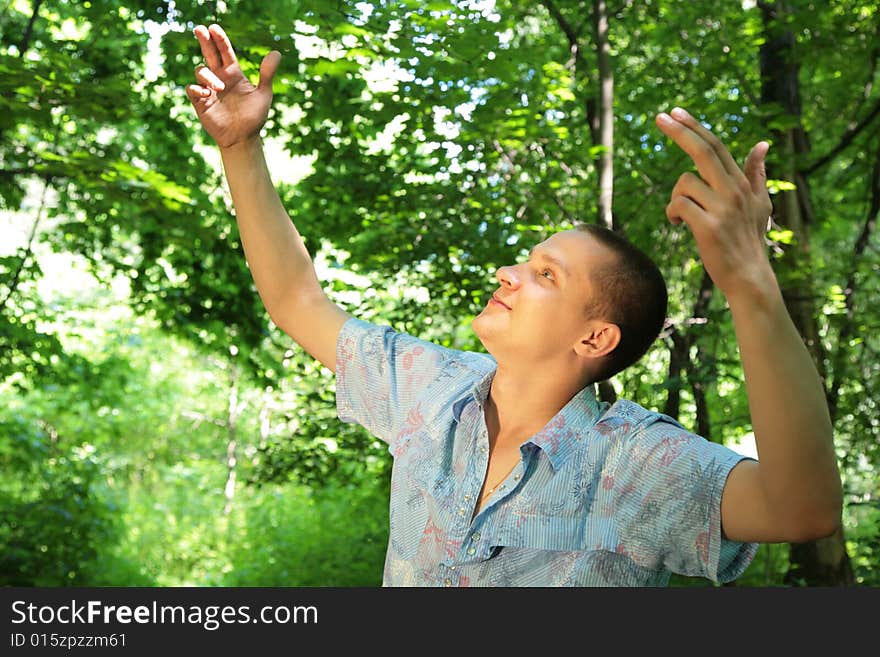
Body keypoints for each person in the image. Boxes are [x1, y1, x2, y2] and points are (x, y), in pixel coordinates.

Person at [186, 24, 842, 586]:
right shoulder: (429, 390)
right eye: (524, 262)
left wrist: (751, 285)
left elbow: (801, 508)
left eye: (545, 274)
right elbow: (296, 299)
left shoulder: (637, 468)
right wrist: (240, 147)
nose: (508, 274)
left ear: (595, 338)